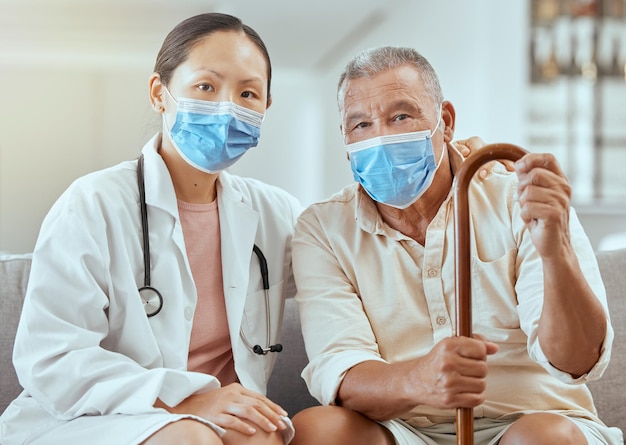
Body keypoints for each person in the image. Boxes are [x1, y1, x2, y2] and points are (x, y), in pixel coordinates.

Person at [289, 46, 623, 445]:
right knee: (318, 430)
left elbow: (577, 361)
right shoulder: (323, 228)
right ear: (344, 138)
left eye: (400, 116)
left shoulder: (521, 199)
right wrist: (419, 379)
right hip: (405, 430)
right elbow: (343, 375)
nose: (381, 138)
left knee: (541, 439)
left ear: (445, 122)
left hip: (535, 419)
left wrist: (557, 254)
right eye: (360, 125)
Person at [0, 13, 302, 445]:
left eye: (248, 93)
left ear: (265, 109)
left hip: (222, 421)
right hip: (89, 417)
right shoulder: (93, 204)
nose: (227, 107)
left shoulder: (278, 214)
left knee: (265, 435)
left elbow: (349, 278)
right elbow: (52, 359)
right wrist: (186, 399)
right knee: (188, 440)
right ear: (160, 93)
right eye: (206, 86)